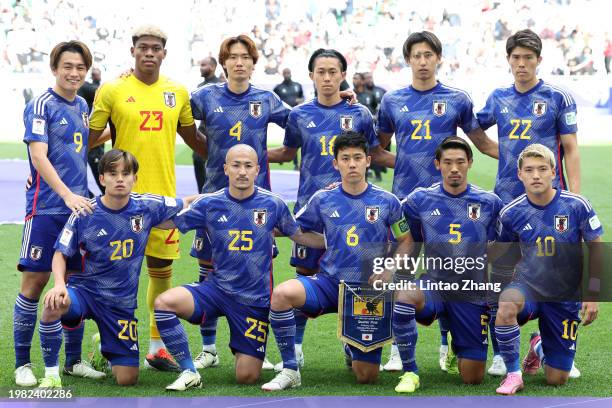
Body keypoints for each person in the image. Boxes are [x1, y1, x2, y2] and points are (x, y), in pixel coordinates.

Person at [153, 144, 325, 391]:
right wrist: (134, 215)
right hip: (216, 289)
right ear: (226, 169)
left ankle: (243, 351)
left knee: (247, 377)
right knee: (164, 303)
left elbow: (300, 236)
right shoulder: (210, 203)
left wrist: (333, 239)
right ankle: (189, 371)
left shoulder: (273, 204)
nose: (242, 171)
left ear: (257, 170)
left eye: (247, 166)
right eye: (236, 165)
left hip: (253, 300)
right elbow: (170, 223)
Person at [376, 30, 498, 373]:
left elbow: (482, 143)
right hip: (404, 202)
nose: (423, 61)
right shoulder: (391, 100)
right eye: (416, 55)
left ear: (438, 58)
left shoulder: (457, 98)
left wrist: (526, 161)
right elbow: (377, 149)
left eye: (429, 54)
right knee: (400, 273)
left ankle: (450, 345)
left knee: (450, 271)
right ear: (408, 60)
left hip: (452, 202)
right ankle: (398, 351)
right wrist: (403, 162)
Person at [267, 49, 395, 372]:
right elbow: (286, 152)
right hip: (312, 212)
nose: (326, 78)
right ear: (311, 76)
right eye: (320, 72)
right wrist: (251, 156)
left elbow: (376, 154)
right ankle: (294, 348)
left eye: (332, 72)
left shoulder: (361, 114)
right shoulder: (298, 115)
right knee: (305, 276)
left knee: (356, 277)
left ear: (342, 76)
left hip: (355, 212)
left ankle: (355, 339)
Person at [88, 25, 206, 371]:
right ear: (133, 51)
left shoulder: (177, 92)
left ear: (164, 53)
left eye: (156, 48)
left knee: (161, 270)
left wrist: (235, 153)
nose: (150, 53)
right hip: (121, 200)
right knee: (116, 275)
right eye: (144, 47)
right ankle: (114, 343)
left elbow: (194, 139)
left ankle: (157, 347)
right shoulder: (112, 89)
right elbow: (89, 138)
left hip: (163, 199)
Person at [262, 132, 413, 391]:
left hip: (367, 290)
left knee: (366, 376)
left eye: (357, 158)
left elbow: (407, 241)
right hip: (328, 283)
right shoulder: (322, 199)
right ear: (336, 163)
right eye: (345, 158)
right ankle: (290, 369)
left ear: (368, 161)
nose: (351, 164)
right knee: (281, 294)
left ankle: (351, 342)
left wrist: (389, 270)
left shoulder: (388, 201)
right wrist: (264, 227)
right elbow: (299, 231)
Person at [36, 149, 192, 388]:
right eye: (113, 173)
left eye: (126, 173)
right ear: (102, 179)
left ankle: (102, 351)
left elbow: (187, 202)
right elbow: (60, 253)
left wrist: (225, 196)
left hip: (120, 304)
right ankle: (51, 375)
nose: (120, 178)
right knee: (53, 303)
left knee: (127, 379)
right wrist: (59, 285)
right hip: (85, 293)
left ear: (134, 178)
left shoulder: (147, 206)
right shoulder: (85, 211)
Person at [476, 29, 582, 377]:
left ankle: (554, 348)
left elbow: (570, 149)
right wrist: (500, 152)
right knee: (503, 275)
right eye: (516, 58)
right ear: (508, 60)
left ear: (538, 60)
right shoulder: (498, 97)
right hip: (508, 200)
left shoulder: (557, 96)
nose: (521, 64)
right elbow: (475, 129)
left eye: (528, 58)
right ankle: (501, 351)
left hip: (552, 205)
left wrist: (575, 198)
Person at [188, 34, 291, 371]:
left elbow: (302, 122)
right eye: (232, 56)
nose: (239, 62)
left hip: (256, 204)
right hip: (214, 198)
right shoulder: (205, 96)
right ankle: (208, 349)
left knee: (259, 275)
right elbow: (176, 119)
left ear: (253, 62)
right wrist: (205, 149)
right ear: (224, 62)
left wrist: (274, 154)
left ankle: (258, 346)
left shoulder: (267, 98)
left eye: (245, 56)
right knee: (208, 270)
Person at [14, 40, 103, 387]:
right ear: (55, 68)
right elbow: (39, 155)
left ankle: (73, 361)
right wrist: (66, 195)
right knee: (34, 284)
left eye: (80, 67)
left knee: (74, 285)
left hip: (77, 210)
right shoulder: (40, 104)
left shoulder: (82, 104)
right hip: (47, 209)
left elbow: (79, 144)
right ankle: (23, 364)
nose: (74, 73)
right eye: (68, 66)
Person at [390, 136, 503, 393]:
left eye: (460, 162)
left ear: (470, 163)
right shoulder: (419, 200)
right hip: (435, 284)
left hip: (472, 292)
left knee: (473, 378)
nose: (454, 168)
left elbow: (504, 243)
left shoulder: (490, 202)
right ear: (437, 164)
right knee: (405, 295)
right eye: (448, 162)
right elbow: (391, 214)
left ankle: (457, 342)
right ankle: (410, 371)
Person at [493, 144, 601, 394]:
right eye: (529, 170)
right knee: (507, 302)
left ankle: (538, 346)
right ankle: (513, 375)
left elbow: (596, 249)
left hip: (564, 296)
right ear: (519, 175)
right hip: (527, 289)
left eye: (542, 169)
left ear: (554, 172)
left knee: (557, 378)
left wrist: (593, 293)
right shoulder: (511, 213)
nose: (536, 175)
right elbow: (504, 258)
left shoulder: (576, 206)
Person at [192, 57, 222, 193]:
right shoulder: (199, 86)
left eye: (204, 65)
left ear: (213, 67)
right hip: (203, 128)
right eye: (200, 65)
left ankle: (216, 193)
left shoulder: (220, 85)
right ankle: (202, 194)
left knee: (217, 162)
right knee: (197, 158)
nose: (201, 67)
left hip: (217, 129)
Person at [77, 67, 105, 194]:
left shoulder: (84, 87)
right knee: (71, 182)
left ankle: (106, 205)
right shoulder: (78, 88)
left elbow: (104, 93)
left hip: (91, 140)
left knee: (104, 181)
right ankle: (93, 205)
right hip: (75, 142)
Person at [273, 68, 304, 170]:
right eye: (285, 73)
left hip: (296, 118)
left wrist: (299, 101)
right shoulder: (278, 88)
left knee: (297, 141)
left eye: (288, 73)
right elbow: (273, 101)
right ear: (282, 74)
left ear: (291, 73)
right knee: (289, 142)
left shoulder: (297, 85)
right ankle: (285, 159)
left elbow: (302, 98)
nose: (287, 75)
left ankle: (297, 163)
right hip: (284, 118)